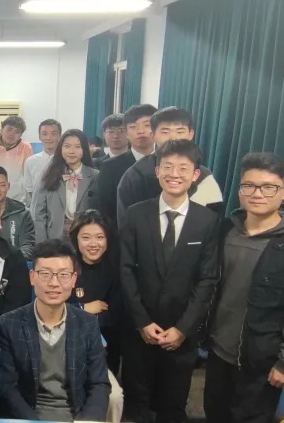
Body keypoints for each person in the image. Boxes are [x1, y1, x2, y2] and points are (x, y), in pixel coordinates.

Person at [119, 140, 220, 423]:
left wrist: (183, 329)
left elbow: (207, 279)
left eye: (183, 168)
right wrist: (142, 321)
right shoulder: (136, 213)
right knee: (136, 403)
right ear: (157, 171)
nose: (174, 174)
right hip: (139, 329)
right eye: (168, 166)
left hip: (182, 334)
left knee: (173, 405)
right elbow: (125, 269)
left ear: (195, 174)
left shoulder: (207, 221)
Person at [204, 152, 284, 423]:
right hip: (218, 350)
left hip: (262, 361)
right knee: (215, 414)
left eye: (268, 187)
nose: (257, 194)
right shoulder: (225, 230)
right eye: (249, 185)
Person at [0, 239, 113, 422]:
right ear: (32, 277)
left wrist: (88, 419)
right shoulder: (7, 324)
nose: (54, 283)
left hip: (76, 415)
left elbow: (99, 383)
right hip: (27, 417)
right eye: (45, 274)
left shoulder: (87, 324)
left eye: (63, 275)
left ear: (73, 280)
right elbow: (7, 388)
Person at [117, 106, 224, 227]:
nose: (173, 138)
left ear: (191, 134)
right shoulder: (135, 175)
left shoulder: (204, 177)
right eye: (165, 132)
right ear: (153, 135)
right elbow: (125, 224)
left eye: (180, 131)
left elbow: (214, 222)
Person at [67, 209, 122, 376]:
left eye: (100, 237)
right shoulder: (65, 268)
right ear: (76, 239)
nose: (93, 244)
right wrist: (83, 309)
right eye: (86, 238)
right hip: (70, 342)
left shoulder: (117, 269)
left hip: (108, 342)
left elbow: (116, 314)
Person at [32, 129, 99, 243]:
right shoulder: (48, 175)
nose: (71, 151)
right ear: (60, 149)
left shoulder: (95, 176)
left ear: (84, 149)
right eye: (67, 146)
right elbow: (38, 214)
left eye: (77, 147)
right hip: (54, 235)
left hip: (85, 235)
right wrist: (42, 243)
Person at [96, 104, 157, 229]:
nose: (140, 131)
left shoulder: (168, 164)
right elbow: (106, 210)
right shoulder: (110, 167)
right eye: (133, 127)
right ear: (127, 133)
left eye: (147, 125)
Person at [0, 166, 35, 260]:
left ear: (8, 186)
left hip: (14, 264)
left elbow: (28, 247)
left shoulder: (22, 214)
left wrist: (9, 261)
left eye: (2, 185)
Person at [24, 119, 62, 209]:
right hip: (37, 209)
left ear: (60, 136)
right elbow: (29, 189)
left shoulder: (65, 160)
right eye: (44, 134)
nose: (49, 138)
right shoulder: (30, 161)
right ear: (40, 137)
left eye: (53, 134)